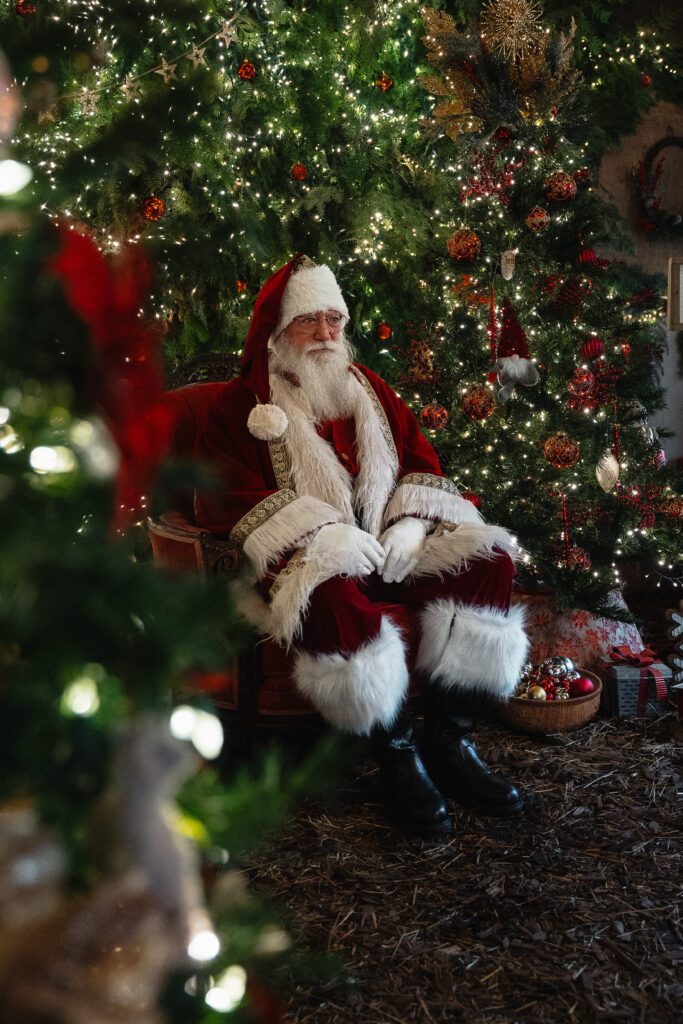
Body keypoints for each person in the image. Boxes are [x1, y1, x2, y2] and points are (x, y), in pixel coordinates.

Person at [195, 255, 529, 835]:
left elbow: (421, 462)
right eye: (309, 321)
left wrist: (411, 525)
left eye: (335, 320)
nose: (326, 335)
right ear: (278, 332)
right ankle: (396, 752)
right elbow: (225, 499)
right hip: (306, 559)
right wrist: (323, 532)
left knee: (490, 559)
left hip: (387, 547)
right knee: (328, 594)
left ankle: (450, 741)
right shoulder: (241, 405)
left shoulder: (370, 390)